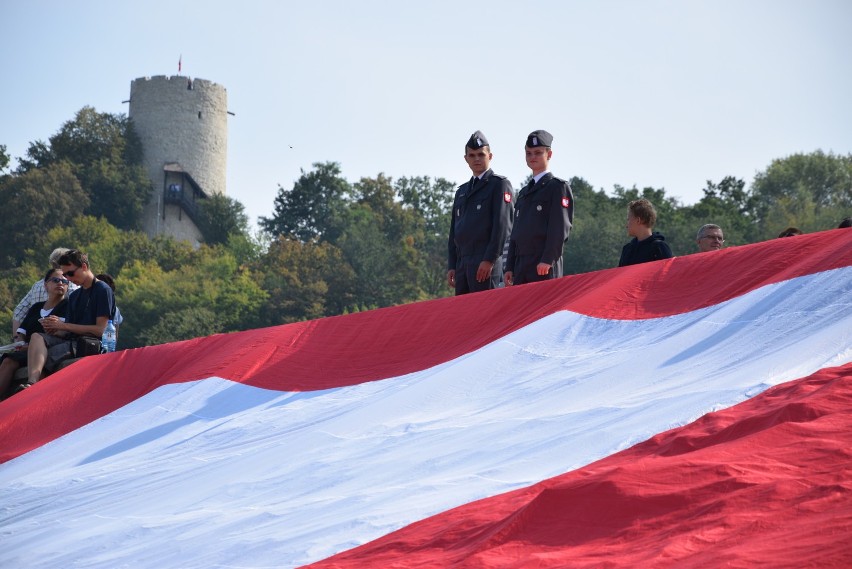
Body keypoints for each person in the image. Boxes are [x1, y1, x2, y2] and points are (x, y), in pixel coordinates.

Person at [25, 250, 115, 385]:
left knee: (46, 357)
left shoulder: (102, 290)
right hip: (71, 342)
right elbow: (68, 330)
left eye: (70, 273)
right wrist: (55, 329)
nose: (68, 278)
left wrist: (64, 326)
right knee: (37, 337)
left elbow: (101, 330)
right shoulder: (74, 296)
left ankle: (34, 389)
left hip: (89, 344)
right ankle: (31, 383)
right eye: (65, 275)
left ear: (84, 266)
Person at [447, 131, 514, 294]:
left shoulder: (499, 185)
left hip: (484, 262)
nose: (476, 159)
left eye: (481, 154)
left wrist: (489, 259)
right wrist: (452, 265)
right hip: (463, 264)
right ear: (466, 159)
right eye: (472, 155)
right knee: (463, 315)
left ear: (490, 156)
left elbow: (503, 226)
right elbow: (454, 232)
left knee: (487, 315)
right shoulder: (462, 191)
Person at [504, 130, 574, 286]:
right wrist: (509, 266)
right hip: (521, 265)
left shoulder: (557, 187)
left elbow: (560, 228)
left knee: (544, 310)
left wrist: (548, 259)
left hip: (543, 265)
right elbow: (516, 232)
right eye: (528, 153)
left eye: (537, 152)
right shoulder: (523, 193)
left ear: (549, 154)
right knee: (521, 310)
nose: (532, 157)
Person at [0, 269, 69, 398]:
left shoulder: (69, 306)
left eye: (64, 281)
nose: (60, 283)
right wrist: (19, 342)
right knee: (8, 360)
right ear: (45, 284)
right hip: (27, 349)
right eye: (56, 280)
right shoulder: (36, 307)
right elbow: (21, 332)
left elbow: (65, 332)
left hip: (52, 348)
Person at [11, 247, 78, 336]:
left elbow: (18, 312)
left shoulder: (37, 285)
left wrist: (17, 339)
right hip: (57, 338)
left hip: (32, 334)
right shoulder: (70, 284)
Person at [618, 199, 673, 267]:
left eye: (628, 219)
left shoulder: (659, 247)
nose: (626, 225)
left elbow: (669, 274)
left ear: (638, 220)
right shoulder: (627, 249)